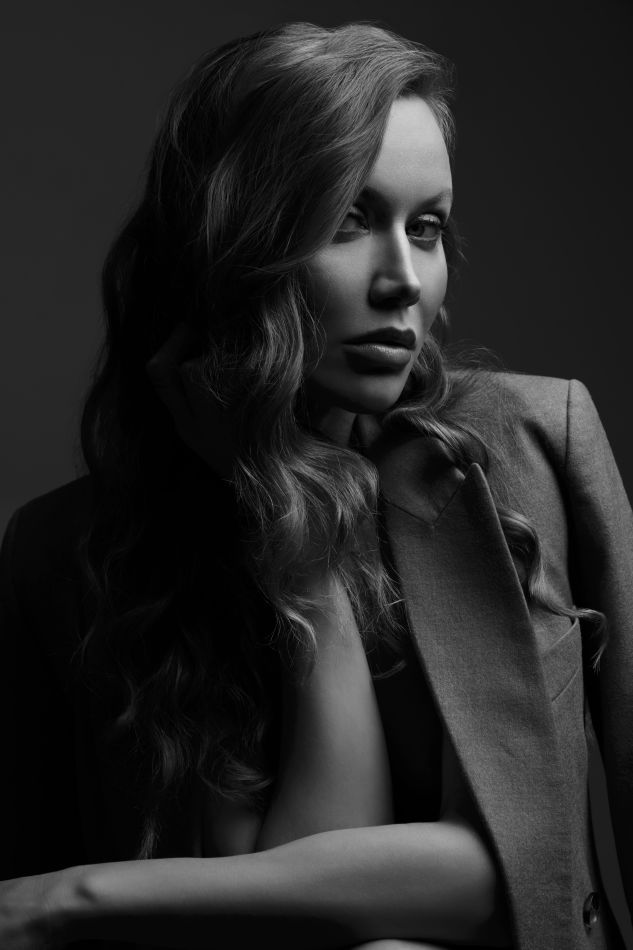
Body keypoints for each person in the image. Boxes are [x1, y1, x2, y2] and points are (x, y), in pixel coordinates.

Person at [0, 20, 631, 950]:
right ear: (230, 245)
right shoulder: (67, 550)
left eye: (426, 228)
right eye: (347, 220)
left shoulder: (523, 445)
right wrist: (304, 557)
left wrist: (73, 898)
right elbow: (290, 929)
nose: (403, 281)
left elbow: (513, 868)